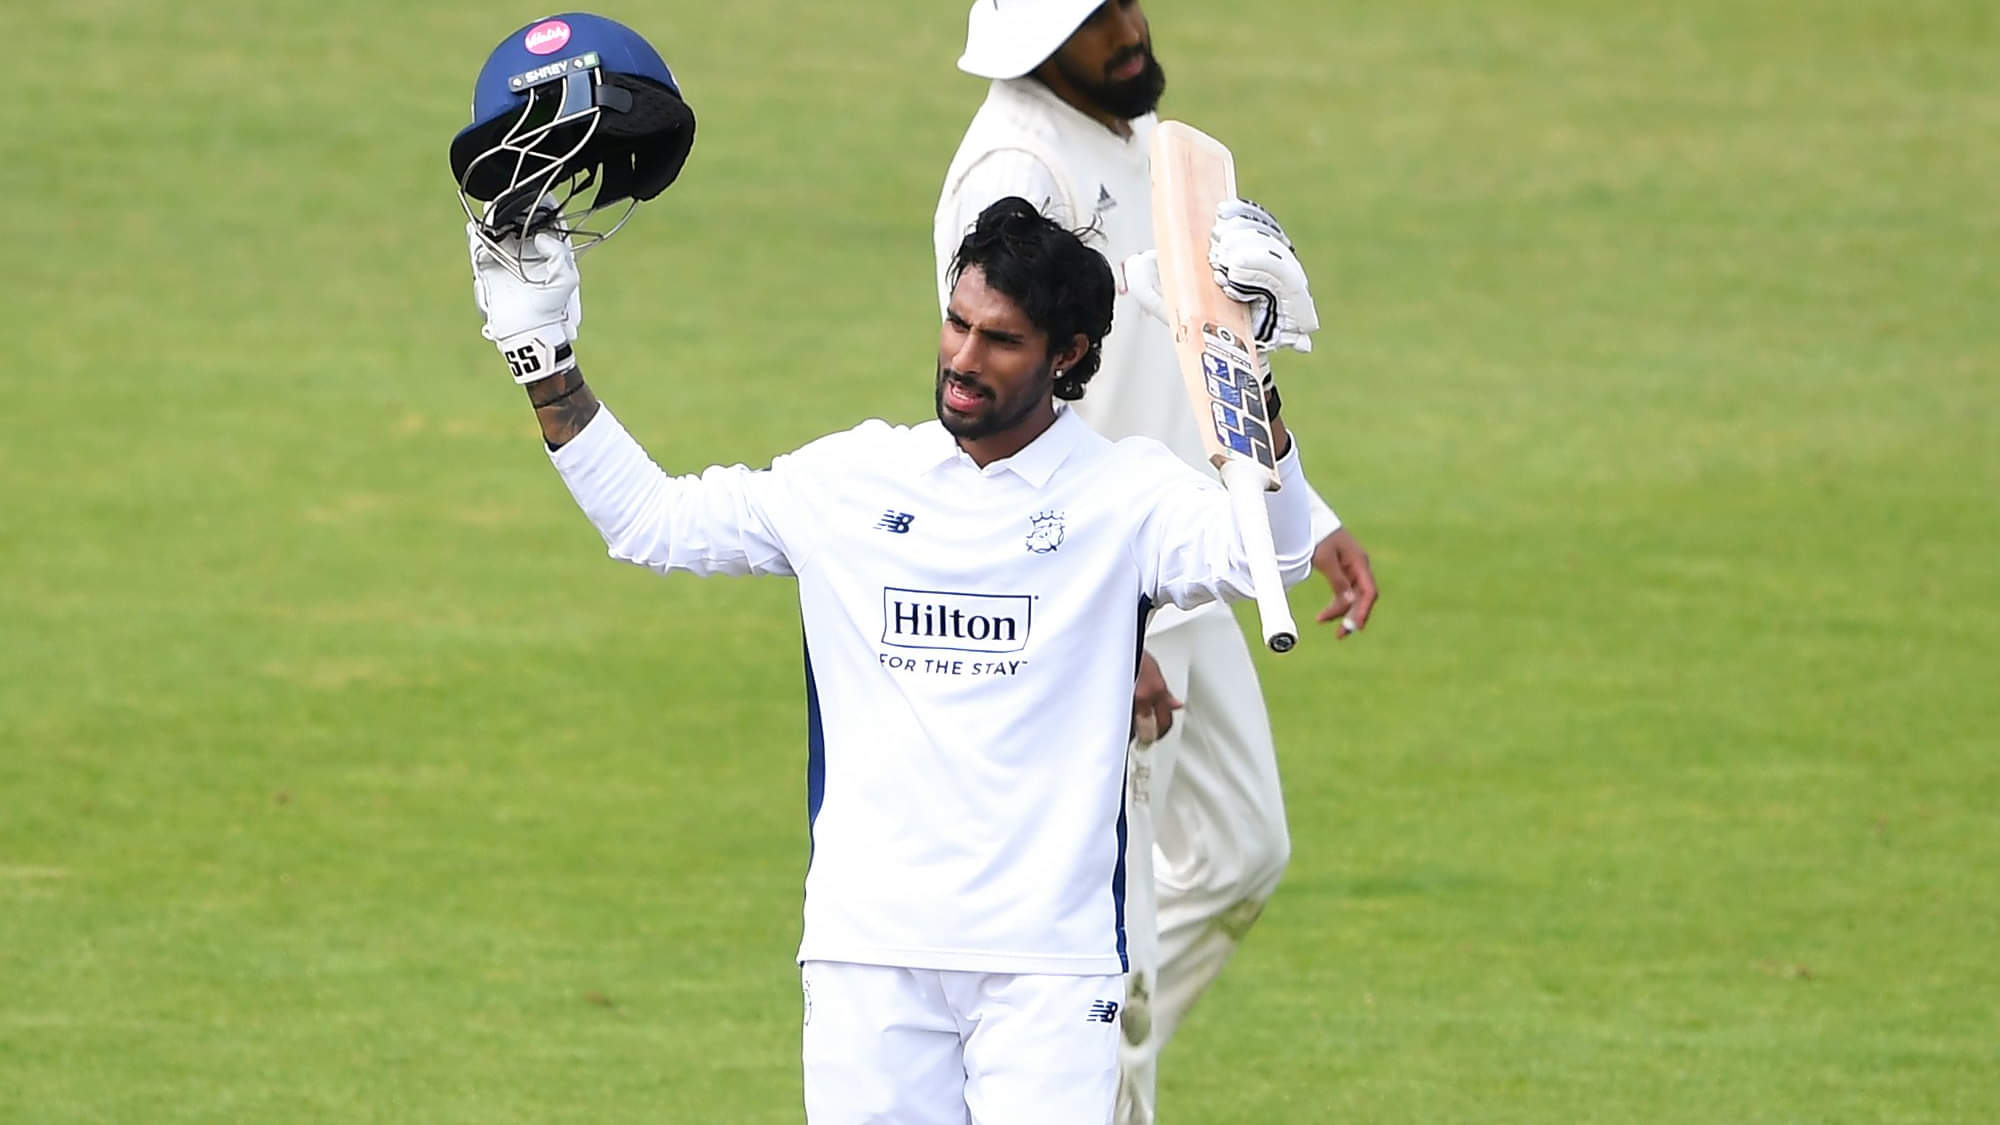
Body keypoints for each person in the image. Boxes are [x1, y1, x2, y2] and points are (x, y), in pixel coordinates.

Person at [467, 194, 1326, 1123]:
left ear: (1068, 353)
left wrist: (1253, 383)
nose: (963, 358)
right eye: (957, 323)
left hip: (1047, 966)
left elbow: (1271, 556)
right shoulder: (851, 481)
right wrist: (545, 362)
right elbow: (651, 521)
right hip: (867, 955)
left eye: (1001, 339)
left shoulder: (1126, 495)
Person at [934, 2, 1383, 1119]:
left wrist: (1297, 506)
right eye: (1096, 16)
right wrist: (1091, 625)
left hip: (1183, 555)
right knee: (1111, 953)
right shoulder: (1014, 171)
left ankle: (1044, 1053)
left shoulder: (1149, 143)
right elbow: (989, 416)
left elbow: (1199, 337)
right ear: (1037, 38)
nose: (1128, 26)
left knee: (1238, 855)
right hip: (1093, 589)